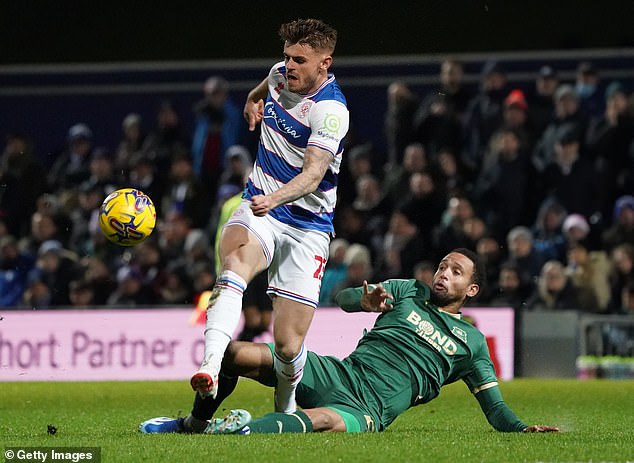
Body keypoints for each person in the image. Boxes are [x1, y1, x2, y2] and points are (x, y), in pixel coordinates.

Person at [140, 249, 559, 434]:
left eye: (455, 271)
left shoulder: (472, 344)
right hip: (339, 372)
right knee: (232, 354)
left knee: (323, 421)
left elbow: (496, 407)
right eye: (443, 265)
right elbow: (339, 300)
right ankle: (194, 425)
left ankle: (235, 433)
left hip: (369, 409)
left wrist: (522, 429)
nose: (443, 273)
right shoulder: (408, 290)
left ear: (471, 290)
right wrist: (365, 298)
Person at [190, 18, 349, 416]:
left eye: (300, 59)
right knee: (234, 265)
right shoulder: (280, 75)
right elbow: (263, 85)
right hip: (261, 203)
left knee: (288, 347)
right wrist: (251, 99)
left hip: (307, 226)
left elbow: (313, 175)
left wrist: (276, 198)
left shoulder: (331, 112)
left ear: (324, 64)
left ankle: (287, 407)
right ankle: (209, 367)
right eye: (286, 56)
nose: (289, 65)